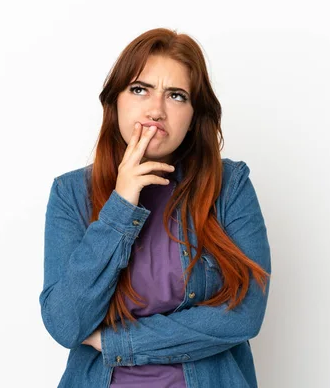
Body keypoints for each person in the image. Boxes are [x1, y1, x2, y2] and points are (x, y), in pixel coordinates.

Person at [39, 27, 272, 388]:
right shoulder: (71, 193)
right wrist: (121, 205)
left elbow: (244, 315)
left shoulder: (229, 186)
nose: (156, 110)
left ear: (195, 116)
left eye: (176, 96)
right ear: (114, 101)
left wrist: (118, 342)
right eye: (139, 89)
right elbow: (66, 324)